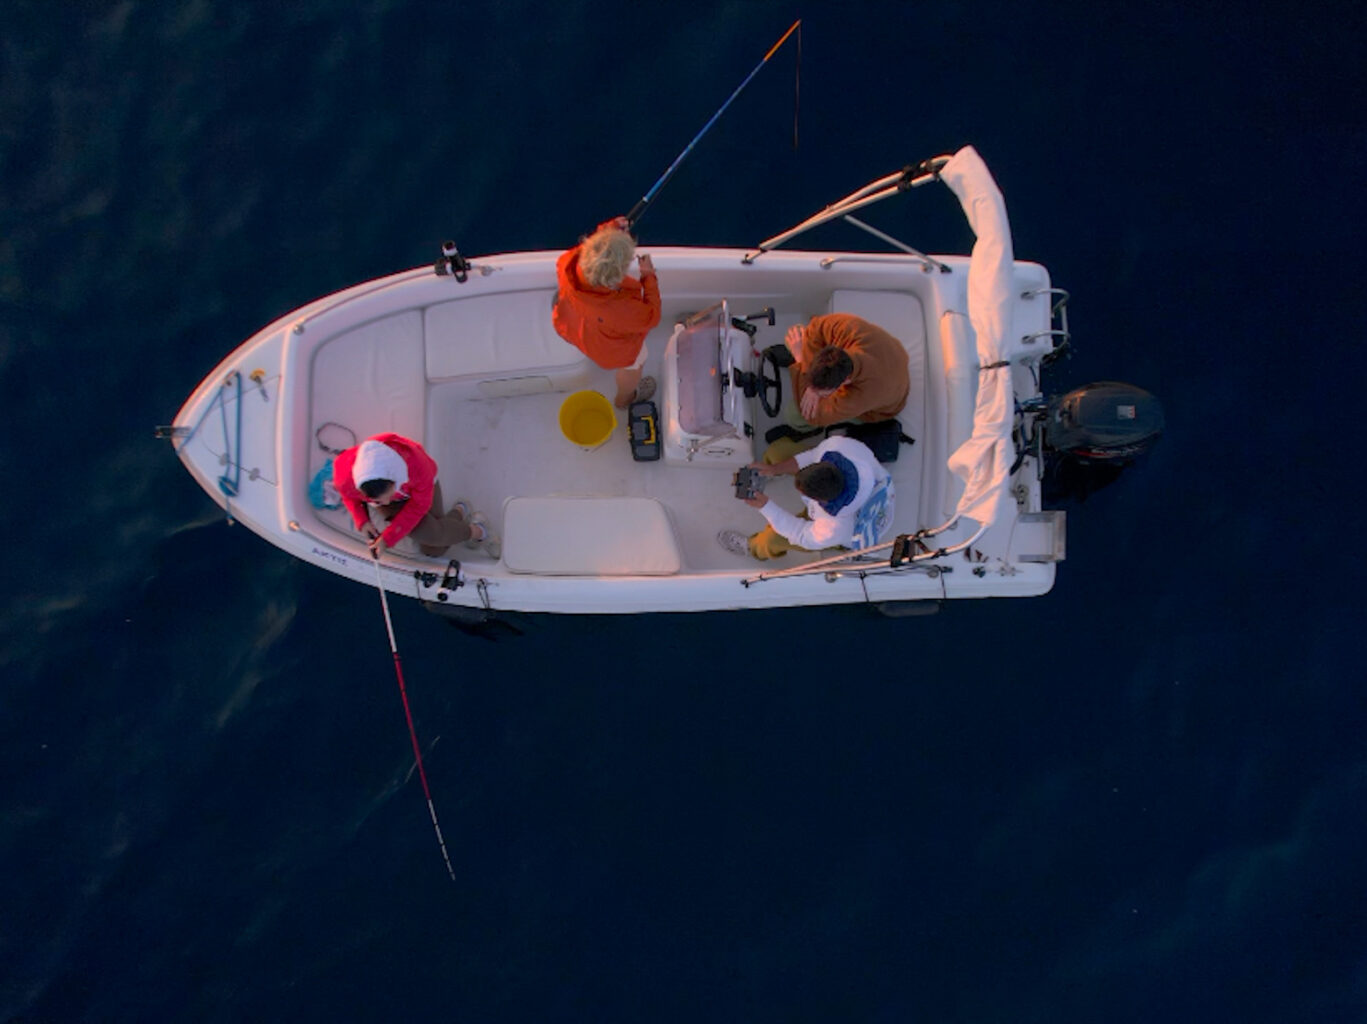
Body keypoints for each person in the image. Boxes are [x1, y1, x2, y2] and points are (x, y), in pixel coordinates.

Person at [718, 434, 894, 561]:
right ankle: (767, 474)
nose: (799, 491)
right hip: (872, 494)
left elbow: (800, 534)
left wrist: (765, 506)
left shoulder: (834, 527)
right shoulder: (840, 446)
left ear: (821, 502)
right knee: (778, 451)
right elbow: (812, 455)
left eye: (804, 493)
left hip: (855, 530)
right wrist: (775, 469)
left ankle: (753, 547)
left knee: (772, 539)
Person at [552, 215, 662, 408]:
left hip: (570, 325)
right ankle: (624, 398)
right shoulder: (621, 309)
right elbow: (651, 318)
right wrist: (648, 276)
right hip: (607, 349)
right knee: (634, 362)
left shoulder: (567, 263)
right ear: (617, 273)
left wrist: (609, 231)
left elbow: (592, 250)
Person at [332, 433, 496, 558]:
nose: (386, 502)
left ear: (395, 478)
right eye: (377, 500)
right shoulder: (344, 478)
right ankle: (458, 513)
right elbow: (349, 497)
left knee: (435, 536)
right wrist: (363, 521)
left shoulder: (417, 466)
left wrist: (387, 539)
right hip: (400, 499)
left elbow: (417, 507)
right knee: (434, 550)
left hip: (421, 492)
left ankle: (478, 531)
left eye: (388, 495)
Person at [784, 313, 910, 426]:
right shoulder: (847, 330)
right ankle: (800, 368)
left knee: (794, 415)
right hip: (891, 355)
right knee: (800, 334)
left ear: (845, 382)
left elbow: (815, 417)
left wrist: (800, 361)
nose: (812, 391)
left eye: (822, 392)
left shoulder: (859, 396)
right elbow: (815, 327)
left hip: (886, 404)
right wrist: (805, 370)